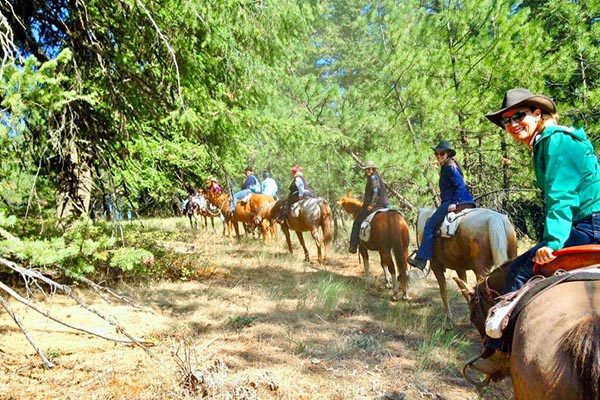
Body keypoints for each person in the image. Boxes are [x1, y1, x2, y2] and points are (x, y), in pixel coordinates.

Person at [472, 87, 600, 375]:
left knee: (518, 270)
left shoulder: (555, 142)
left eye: (519, 116)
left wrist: (553, 240)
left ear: (538, 114)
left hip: (587, 225)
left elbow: (561, 194)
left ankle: (502, 352)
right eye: (507, 121)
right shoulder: (551, 142)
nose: (512, 124)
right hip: (592, 222)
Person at [407, 140, 476, 270]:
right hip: (466, 201)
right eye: (436, 154)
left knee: (429, 225)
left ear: (448, 154)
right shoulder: (451, 165)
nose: (438, 156)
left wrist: (454, 203)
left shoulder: (449, 167)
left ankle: (422, 260)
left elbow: (460, 186)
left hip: (454, 201)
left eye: (442, 153)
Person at [348, 160, 390, 254]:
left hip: (376, 205)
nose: (366, 171)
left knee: (357, 221)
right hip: (385, 204)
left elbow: (376, 193)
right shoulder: (378, 177)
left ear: (372, 169)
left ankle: (353, 245)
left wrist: (371, 205)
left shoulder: (373, 178)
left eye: (367, 169)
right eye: (365, 169)